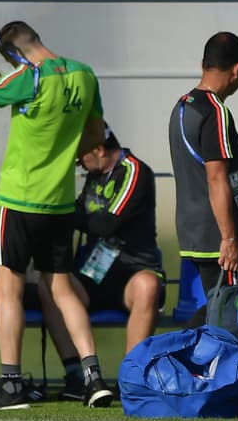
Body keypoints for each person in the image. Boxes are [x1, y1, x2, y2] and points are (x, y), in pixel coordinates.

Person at [0, 14, 111, 410]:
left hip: (18, 200)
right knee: (61, 288)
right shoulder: (84, 75)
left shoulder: (29, 77)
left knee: (6, 288)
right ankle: (93, 377)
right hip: (59, 202)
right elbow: (95, 135)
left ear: (13, 54)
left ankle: (9, 385)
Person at [36, 127, 165, 400]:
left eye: (80, 156)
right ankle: (77, 376)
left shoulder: (135, 172)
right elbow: (80, 214)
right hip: (95, 275)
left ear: (98, 149)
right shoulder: (93, 176)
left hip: (133, 273)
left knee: (148, 286)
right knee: (49, 284)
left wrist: (61, 214)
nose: (79, 164)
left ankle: (130, 381)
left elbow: (107, 223)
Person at [167, 32, 238, 319]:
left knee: (215, 309)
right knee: (229, 318)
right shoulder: (215, 111)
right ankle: (178, 359)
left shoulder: (182, 105)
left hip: (193, 232)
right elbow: (216, 178)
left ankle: (183, 358)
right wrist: (229, 238)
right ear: (237, 70)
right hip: (217, 236)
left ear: (203, 63)